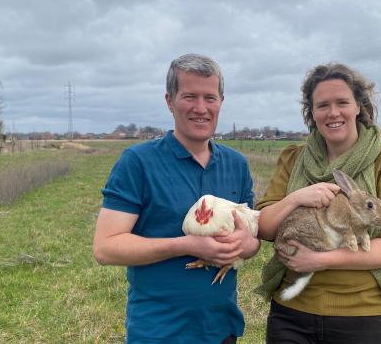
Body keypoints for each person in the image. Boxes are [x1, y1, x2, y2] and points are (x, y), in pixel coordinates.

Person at [93, 53, 260, 343]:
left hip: (221, 328)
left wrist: (247, 244)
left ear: (221, 101)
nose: (200, 108)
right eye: (189, 96)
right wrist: (186, 245)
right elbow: (106, 247)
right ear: (170, 101)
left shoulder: (237, 164)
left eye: (210, 97)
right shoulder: (138, 162)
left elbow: (252, 240)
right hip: (160, 331)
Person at [256, 63, 381, 343]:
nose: (333, 113)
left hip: (367, 314)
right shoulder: (293, 159)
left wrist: (322, 260)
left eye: (342, 102)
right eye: (322, 105)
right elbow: (264, 228)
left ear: (359, 105)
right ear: (311, 112)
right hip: (292, 314)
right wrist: (296, 198)